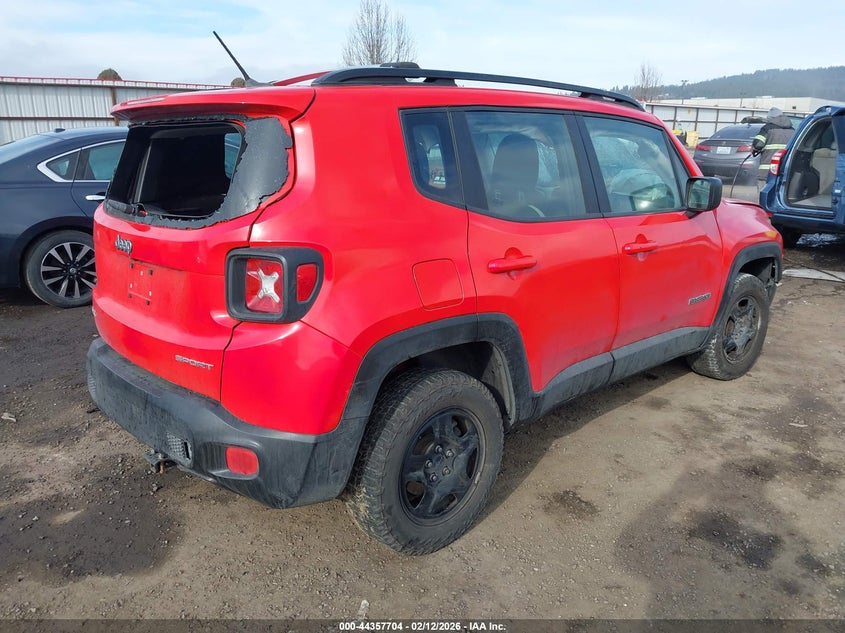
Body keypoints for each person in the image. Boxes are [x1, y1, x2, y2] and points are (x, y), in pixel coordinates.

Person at [752, 107, 794, 188]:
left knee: (764, 195)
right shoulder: (793, 130)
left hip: (767, 172)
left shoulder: (767, 128)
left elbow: (758, 145)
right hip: (785, 171)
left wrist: (754, 149)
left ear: (770, 118)